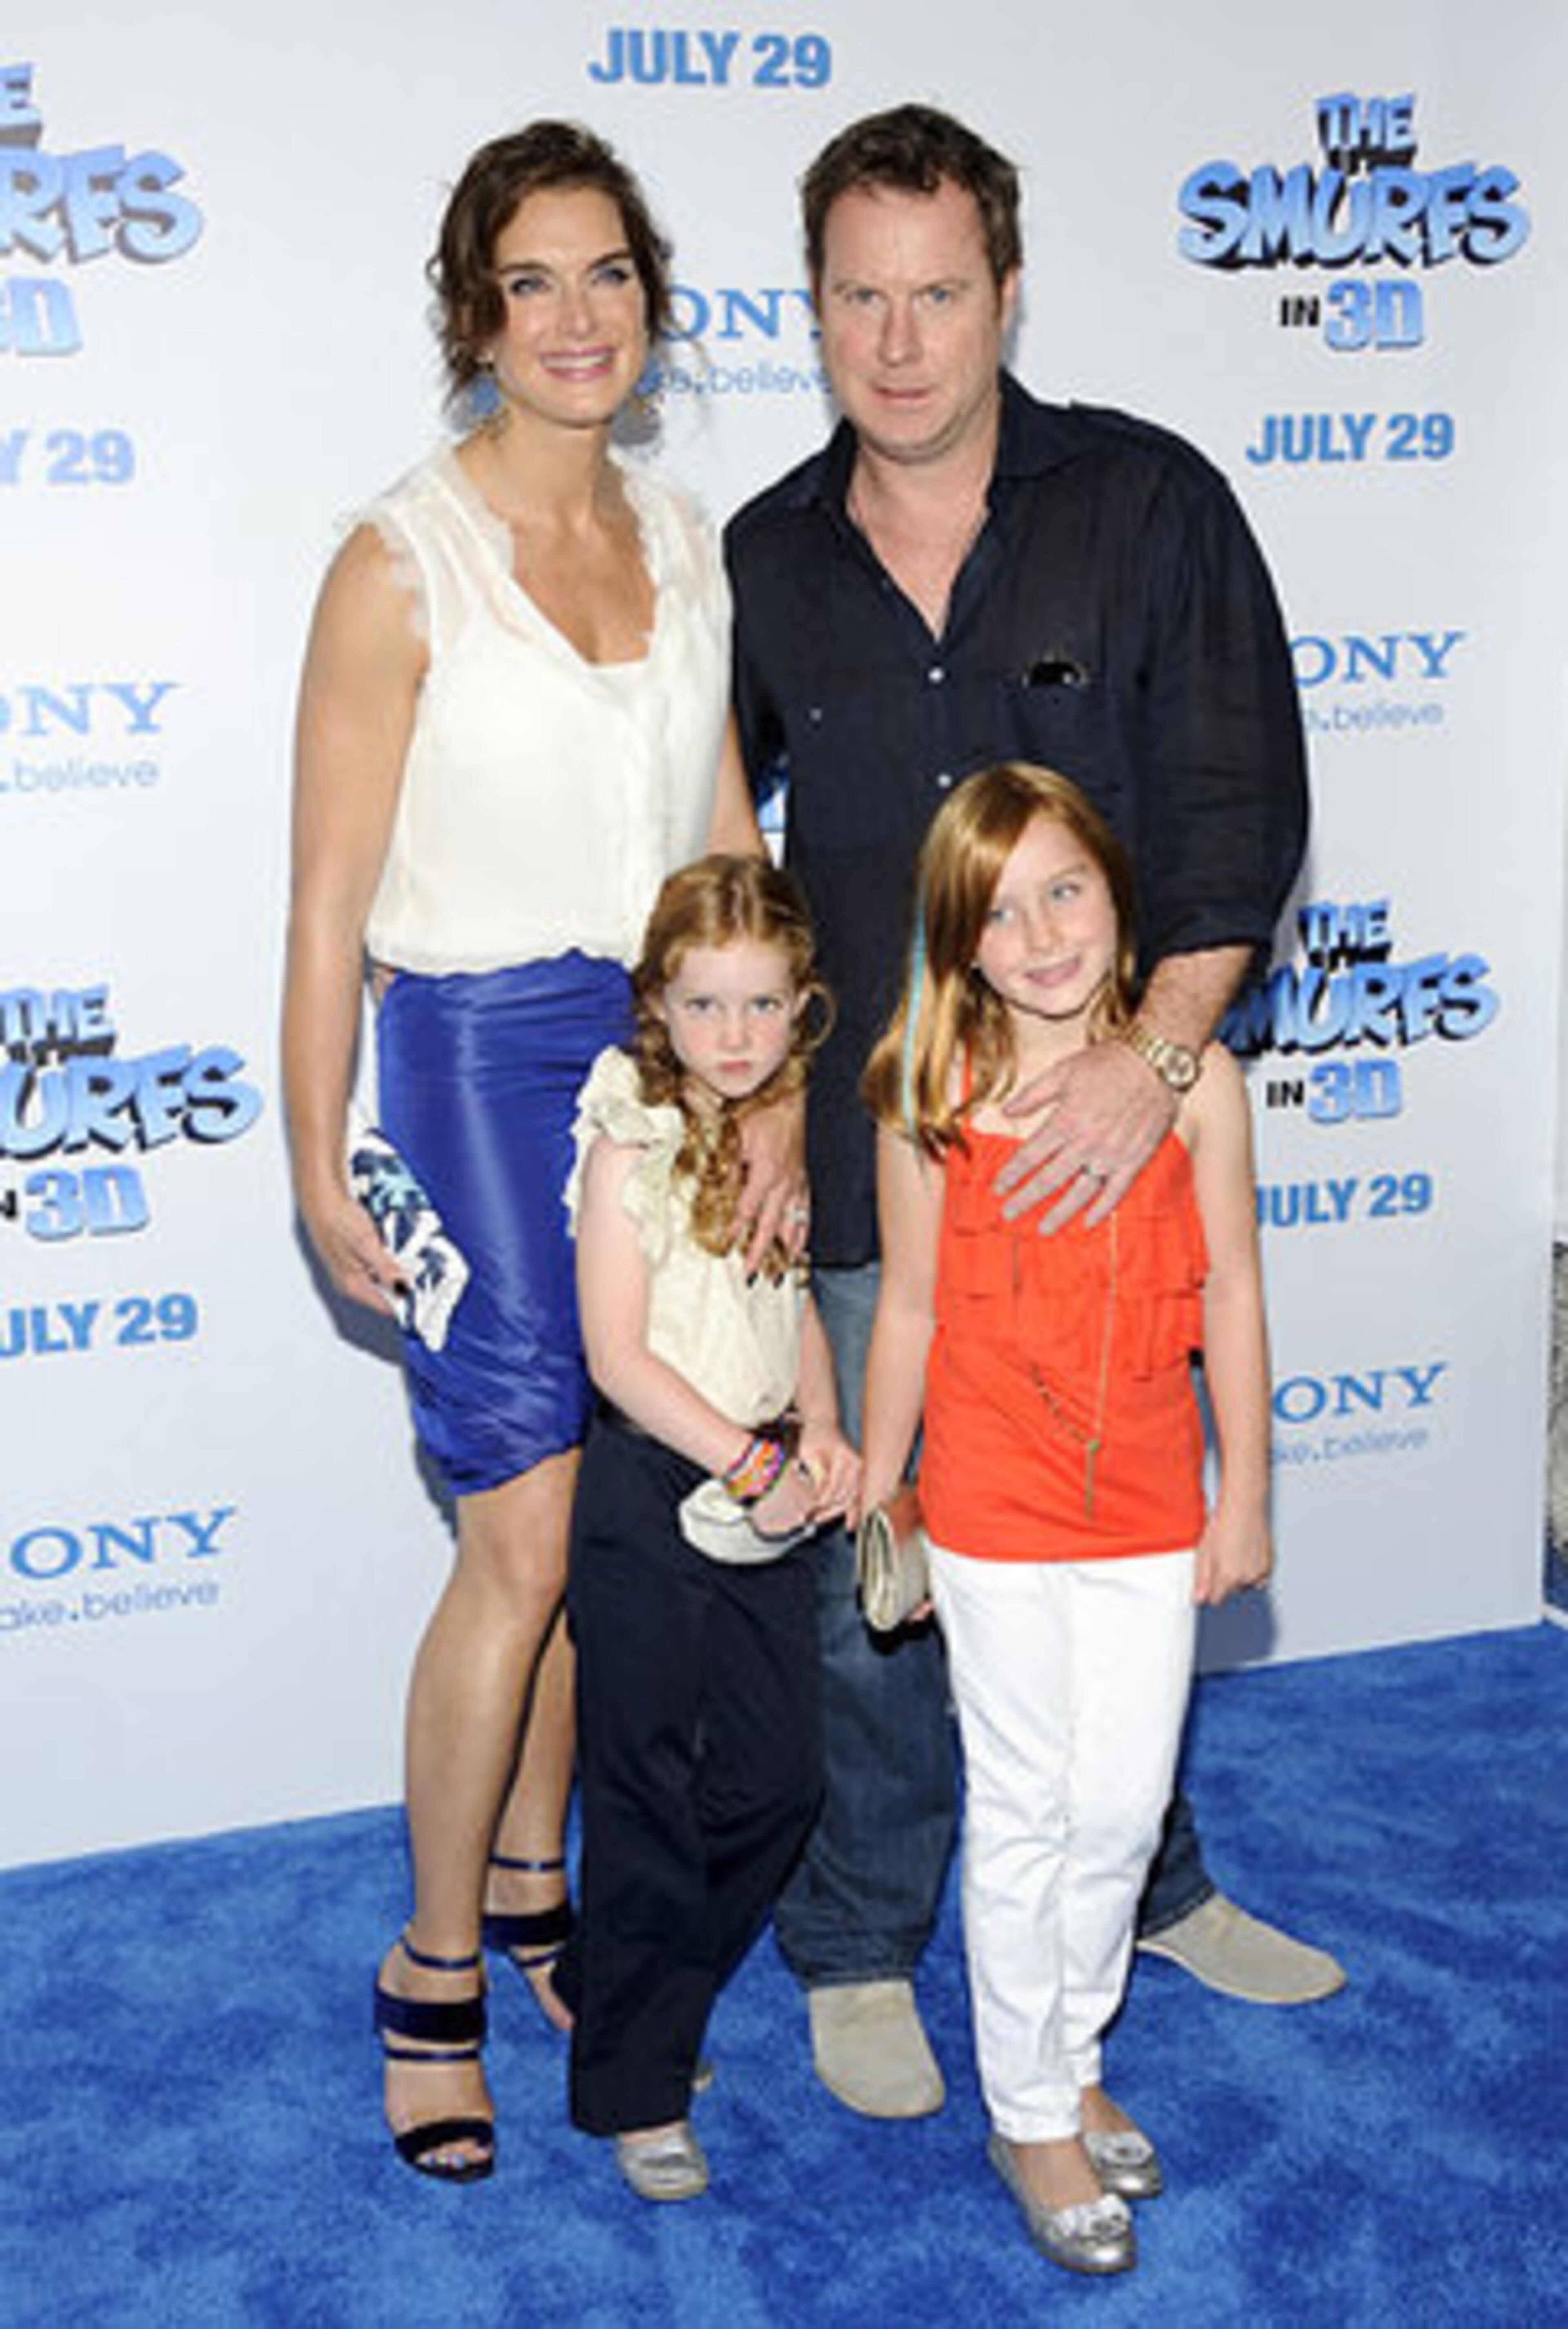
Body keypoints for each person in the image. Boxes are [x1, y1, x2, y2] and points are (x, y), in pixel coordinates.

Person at [726, 102, 1342, 2119]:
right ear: (813, 308)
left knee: (1122, 1547)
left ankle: (1143, 1885)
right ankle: (861, 1938)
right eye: (858, 299)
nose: (899, 342)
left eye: (940, 294)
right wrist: (729, 1103)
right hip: (868, 1156)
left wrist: (1151, 1073)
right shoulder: (761, 557)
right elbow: (711, 856)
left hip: (1115, 1158)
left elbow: (1243, 811)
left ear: (1009, 295)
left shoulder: (1152, 507)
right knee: (883, 1568)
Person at [281, 121, 773, 2182]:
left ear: (651, 307)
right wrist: (320, 1159)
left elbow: (729, 837)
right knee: (528, 1541)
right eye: (529, 283)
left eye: (609, 278)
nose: (574, 320)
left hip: (665, 1063)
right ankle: (431, 1970)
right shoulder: (398, 561)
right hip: (479, 1069)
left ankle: (529, 1893)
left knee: (607, 1544)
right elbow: (324, 902)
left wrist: (757, 1108)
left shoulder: (685, 534)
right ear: (474, 318)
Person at [859, 762, 1272, 2275]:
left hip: (1155, 1498)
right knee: (1027, 1812)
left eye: (1066, 891)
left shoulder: (1196, 1086)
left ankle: (1073, 2043)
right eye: (1000, 910)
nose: (1040, 935)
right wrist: (883, 1494)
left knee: (1117, 1813)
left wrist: (1251, 1490)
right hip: (989, 1501)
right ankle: (1029, 2107)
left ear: (1116, 890)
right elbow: (904, 1309)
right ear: (958, 941)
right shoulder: (926, 1096)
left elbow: (1230, 1284)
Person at [558, 856, 858, 2202]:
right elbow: (616, 1357)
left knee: (779, 1783)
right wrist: (749, 1461)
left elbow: (787, 1301)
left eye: (759, 1007)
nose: (733, 1036)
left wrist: (829, 1429)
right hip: (648, 1494)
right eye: (703, 1006)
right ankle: (639, 2083)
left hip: (763, 1488)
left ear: (800, 1008)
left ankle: (619, 1979)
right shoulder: (630, 1132)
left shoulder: (773, 1127)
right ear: (657, 1009)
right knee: (644, 1802)